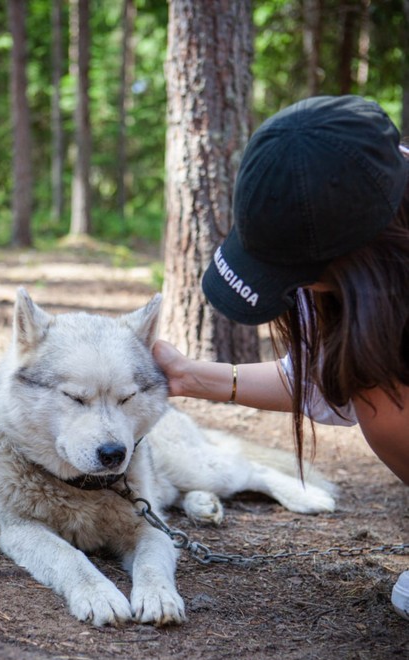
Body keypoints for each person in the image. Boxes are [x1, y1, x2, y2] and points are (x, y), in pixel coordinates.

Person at [152, 95, 409, 619]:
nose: (298, 295)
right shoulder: (353, 240)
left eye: (296, 277)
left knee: (380, 400)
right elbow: (321, 379)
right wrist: (189, 377)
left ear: (362, 262)